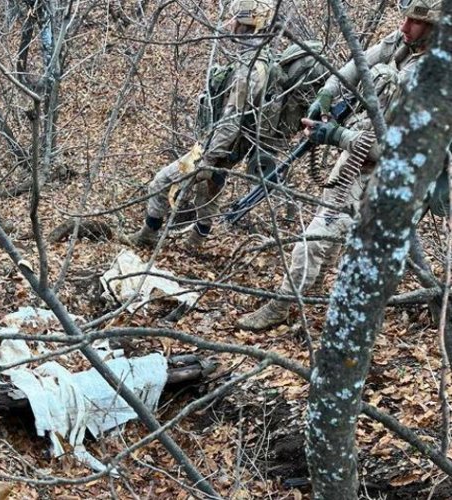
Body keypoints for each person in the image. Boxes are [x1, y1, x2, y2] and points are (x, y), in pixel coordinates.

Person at [236, 0, 441, 331]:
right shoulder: (405, 41)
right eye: (405, 20)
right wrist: (325, 97)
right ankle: (311, 292)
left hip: (391, 176)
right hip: (359, 157)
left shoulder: (434, 81)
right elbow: (357, 65)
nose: (404, 27)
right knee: (333, 227)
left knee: (316, 238)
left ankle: (283, 305)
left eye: (415, 23)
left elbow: (397, 150)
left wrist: (336, 135)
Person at [122, 0, 286, 252]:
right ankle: (194, 245)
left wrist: (208, 158)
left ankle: (148, 234)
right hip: (230, 147)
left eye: (239, 23)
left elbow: (231, 120)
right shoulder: (256, 60)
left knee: (162, 181)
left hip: (221, 146)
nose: (231, 27)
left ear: (251, 28)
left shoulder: (249, 70)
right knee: (207, 194)